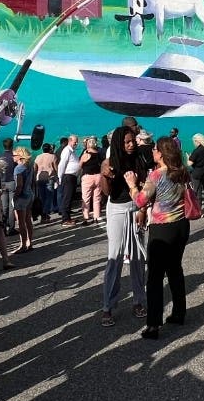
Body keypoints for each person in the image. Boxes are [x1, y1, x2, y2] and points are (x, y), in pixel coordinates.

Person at [126, 136, 191, 339]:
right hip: (181, 224)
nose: (152, 152)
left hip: (162, 227)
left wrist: (131, 184)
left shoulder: (156, 175)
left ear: (161, 153)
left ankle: (153, 324)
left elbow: (140, 200)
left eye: (155, 149)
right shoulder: (181, 171)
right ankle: (179, 312)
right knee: (175, 269)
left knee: (154, 277)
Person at [100, 127, 148, 327]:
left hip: (136, 208)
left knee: (137, 257)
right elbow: (106, 192)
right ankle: (108, 306)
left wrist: (142, 210)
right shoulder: (110, 162)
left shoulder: (139, 159)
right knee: (115, 256)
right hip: (117, 209)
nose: (131, 144)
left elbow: (145, 185)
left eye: (133, 141)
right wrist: (105, 175)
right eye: (127, 141)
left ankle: (139, 300)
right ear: (119, 143)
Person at [12, 147, 36, 253]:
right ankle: (30, 242)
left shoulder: (18, 168)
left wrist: (15, 197)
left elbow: (19, 185)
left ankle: (22, 245)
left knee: (20, 222)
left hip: (22, 196)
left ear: (19, 156)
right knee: (28, 220)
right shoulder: (29, 166)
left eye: (14, 155)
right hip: (30, 194)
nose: (13, 157)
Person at [80, 136, 105, 224]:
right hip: (98, 176)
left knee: (86, 198)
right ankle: (96, 216)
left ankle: (86, 217)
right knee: (97, 198)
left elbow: (80, 165)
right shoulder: (99, 154)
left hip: (88, 177)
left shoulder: (86, 154)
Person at [57, 134, 80, 226]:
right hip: (68, 177)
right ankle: (65, 219)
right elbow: (62, 164)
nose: (76, 143)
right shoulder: (67, 151)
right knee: (67, 197)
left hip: (72, 177)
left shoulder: (72, 151)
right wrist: (60, 177)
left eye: (77, 142)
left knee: (70, 197)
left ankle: (68, 217)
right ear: (70, 141)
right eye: (75, 142)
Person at [34, 143, 58, 222]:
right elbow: (56, 168)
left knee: (43, 197)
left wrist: (34, 178)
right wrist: (57, 177)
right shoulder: (52, 157)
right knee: (49, 197)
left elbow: (35, 168)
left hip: (39, 178)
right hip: (49, 178)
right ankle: (44, 213)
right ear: (50, 149)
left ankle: (44, 215)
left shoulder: (38, 157)